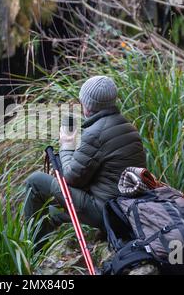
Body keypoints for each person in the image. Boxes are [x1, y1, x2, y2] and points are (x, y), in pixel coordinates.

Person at [24, 76, 147, 248]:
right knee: (51, 212)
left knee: (35, 181)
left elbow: (69, 178)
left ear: (87, 105)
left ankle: (34, 252)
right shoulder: (129, 128)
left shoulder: (95, 134)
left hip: (105, 213)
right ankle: (43, 244)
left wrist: (67, 144)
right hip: (125, 211)